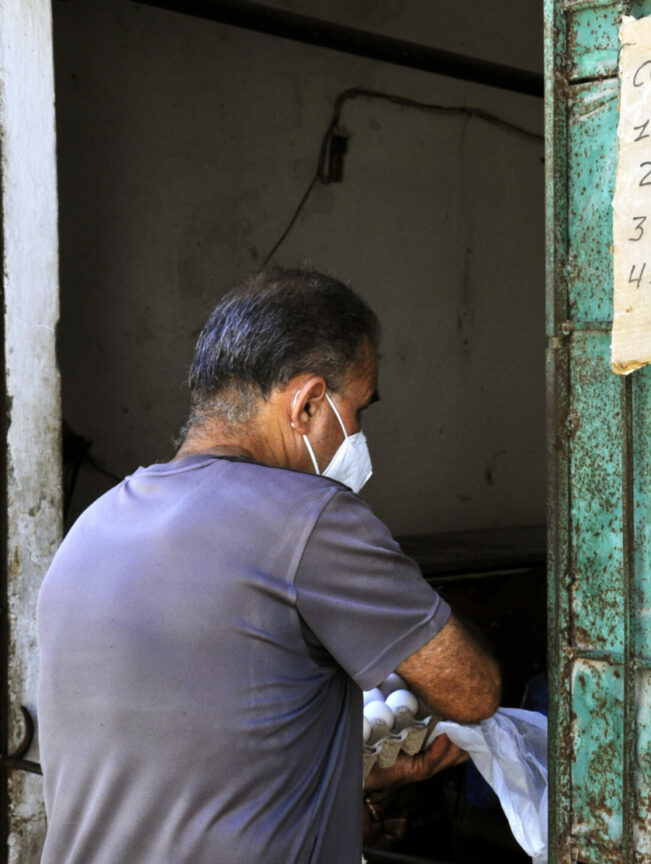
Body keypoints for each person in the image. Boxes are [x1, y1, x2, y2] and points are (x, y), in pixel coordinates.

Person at [36, 269, 501, 863]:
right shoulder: (310, 519)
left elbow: (189, 760)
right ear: (307, 404)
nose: (359, 435)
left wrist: (354, 775)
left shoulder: (93, 528)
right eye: (359, 410)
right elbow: (473, 691)